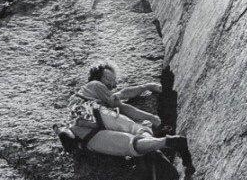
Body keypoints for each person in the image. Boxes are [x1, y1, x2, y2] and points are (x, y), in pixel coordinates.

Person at [56, 62, 195, 172]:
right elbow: (123, 106)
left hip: (88, 134)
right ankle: (157, 146)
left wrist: (146, 86)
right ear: (97, 78)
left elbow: (124, 93)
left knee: (130, 145)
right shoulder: (94, 85)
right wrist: (151, 117)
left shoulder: (98, 93)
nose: (110, 82)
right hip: (96, 114)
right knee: (138, 129)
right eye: (107, 78)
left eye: (112, 79)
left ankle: (163, 144)